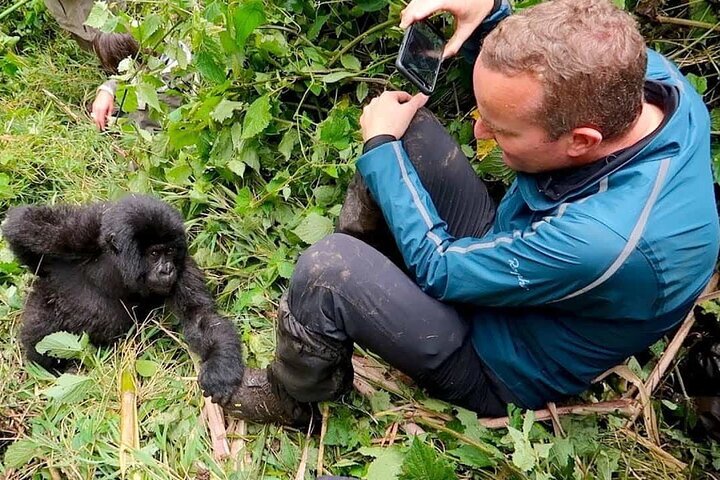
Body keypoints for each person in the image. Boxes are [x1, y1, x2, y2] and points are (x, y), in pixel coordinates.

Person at [222, 0, 720, 425]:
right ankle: (375, 285)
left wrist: (378, 148)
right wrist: (490, 14)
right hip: (522, 264)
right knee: (409, 132)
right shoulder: (645, 82)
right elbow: (552, 64)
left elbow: (442, 270)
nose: (480, 132)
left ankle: (292, 400)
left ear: (581, 141)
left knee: (328, 270)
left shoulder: (607, 240)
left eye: (502, 131)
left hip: (496, 363)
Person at [43, 0, 138, 130]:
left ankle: (127, 91)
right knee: (93, 45)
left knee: (120, 44)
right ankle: (116, 88)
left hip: (103, 11)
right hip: (70, 13)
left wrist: (109, 89)